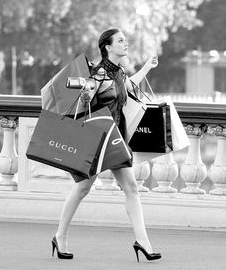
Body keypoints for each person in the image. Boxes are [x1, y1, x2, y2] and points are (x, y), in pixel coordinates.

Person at [51, 28, 161, 262]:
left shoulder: (119, 72)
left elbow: (129, 87)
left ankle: (143, 242)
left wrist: (147, 67)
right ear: (108, 47)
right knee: (83, 188)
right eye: (120, 41)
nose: (125, 43)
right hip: (96, 138)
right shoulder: (98, 73)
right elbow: (86, 99)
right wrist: (85, 95)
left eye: (125, 39)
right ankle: (59, 236)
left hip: (116, 138)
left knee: (131, 187)